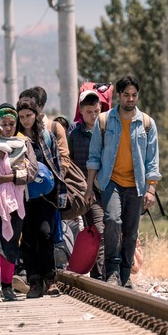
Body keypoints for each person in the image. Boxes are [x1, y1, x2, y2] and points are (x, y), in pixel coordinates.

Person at [85, 76, 161, 288]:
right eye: (126, 95)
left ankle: (126, 274)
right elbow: (94, 157)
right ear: (118, 95)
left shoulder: (146, 123)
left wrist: (151, 189)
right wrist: (89, 187)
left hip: (136, 185)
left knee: (130, 231)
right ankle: (113, 270)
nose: (130, 99)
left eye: (134, 95)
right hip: (111, 182)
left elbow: (152, 159)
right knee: (112, 220)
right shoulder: (104, 120)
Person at [0, 104, 38, 302]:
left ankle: (7, 287)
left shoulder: (24, 143)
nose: (7, 127)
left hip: (15, 201)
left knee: (11, 241)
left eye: (11, 124)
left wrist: (5, 178)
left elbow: (31, 171)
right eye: (3, 123)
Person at [16, 99, 67, 298]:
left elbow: (57, 165)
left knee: (46, 234)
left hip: (45, 196)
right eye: (22, 116)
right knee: (28, 238)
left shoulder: (46, 137)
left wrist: (59, 194)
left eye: (29, 115)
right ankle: (34, 281)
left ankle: (50, 279)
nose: (26, 119)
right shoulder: (15, 139)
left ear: (36, 115)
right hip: (24, 196)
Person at [68, 90, 106, 280]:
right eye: (89, 111)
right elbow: (70, 164)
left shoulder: (109, 131)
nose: (93, 115)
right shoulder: (74, 136)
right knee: (99, 228)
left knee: (112, 227)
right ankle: (100, 274)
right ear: (81, 112)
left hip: (109, 188)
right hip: (87, 191)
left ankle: (109, 270)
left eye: (96, 111)